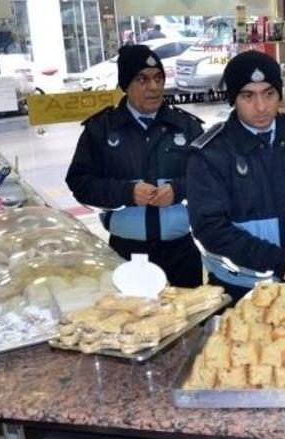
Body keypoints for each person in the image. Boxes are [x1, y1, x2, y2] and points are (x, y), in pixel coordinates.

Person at [186, 51, 285, 303]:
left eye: (269, 94)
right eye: (248, 96)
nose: (261, 106)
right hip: (237, 288)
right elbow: (210, 227)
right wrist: (278, 259)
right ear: (233, 99)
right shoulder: (211, 153)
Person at [66, 45, 204, 287]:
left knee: (190, 321)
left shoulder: (187, 127)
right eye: (142, 79)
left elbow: (210, 179)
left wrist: (179, 190)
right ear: (125, 85)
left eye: (159, 78)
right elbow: (80, 183)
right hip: (126, 255)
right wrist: (126, 193)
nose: (154, 87)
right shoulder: (101, 129)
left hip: (182, 252)